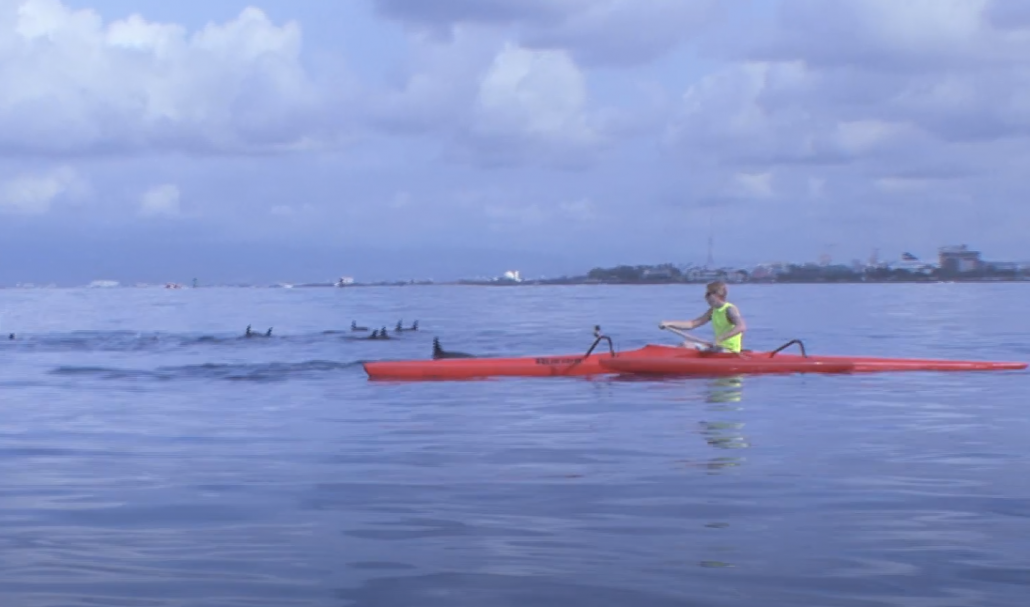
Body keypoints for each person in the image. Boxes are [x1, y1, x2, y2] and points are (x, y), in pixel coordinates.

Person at [660, 281, 746, 352]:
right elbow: (692, 324)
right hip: (718, 347)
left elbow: (741, 327)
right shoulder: (712, 311)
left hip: (729, 350)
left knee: (687, 346)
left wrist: (721, 338)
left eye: (708, 294)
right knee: (685, 345)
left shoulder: (729, 309)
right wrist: (669, 323)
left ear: (717, 294)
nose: (706, 297)